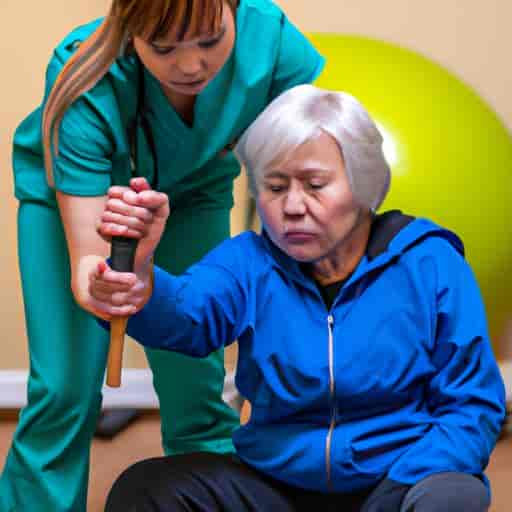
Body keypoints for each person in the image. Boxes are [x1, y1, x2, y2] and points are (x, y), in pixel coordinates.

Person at [88, 84, 506, 511]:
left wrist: (400, 487)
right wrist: (140, 278)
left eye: (314, 184)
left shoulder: (429, 262)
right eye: (274, 186)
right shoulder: (249, 261)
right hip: (276, 484)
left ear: (363, 187)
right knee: (145, 489)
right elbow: (186, 317)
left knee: (454, 494)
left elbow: (472, 405)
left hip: (393, 483)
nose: (291, 206)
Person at [0, 1, 325, 510]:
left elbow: (309, 169)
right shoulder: (85, 74)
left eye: (210, 40)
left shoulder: (273, 44)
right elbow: (91, 272)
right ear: (131, 32)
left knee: (198, 392)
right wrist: (112, 284)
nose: (192, 65)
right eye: (165, 48)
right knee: (64, 392)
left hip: (194, 197)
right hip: (75, 200)